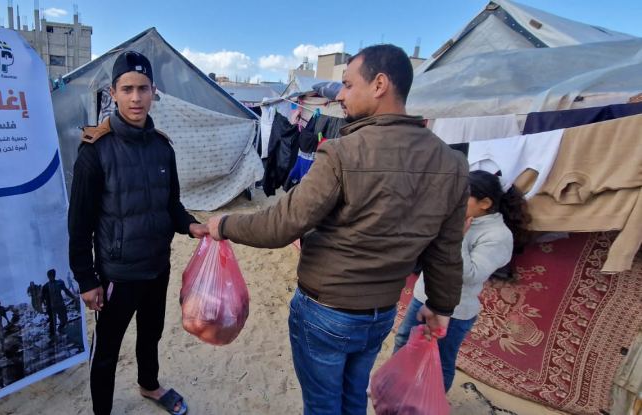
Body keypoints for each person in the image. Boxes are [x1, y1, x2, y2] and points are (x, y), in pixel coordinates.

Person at [207, 44, 469, 415]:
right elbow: (446, 249)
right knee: (352, 398)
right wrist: (441, 307)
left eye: (347, 84)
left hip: (327, 311)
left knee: (323, 405)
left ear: (379, 84)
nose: (340, 96)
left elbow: (282, 224)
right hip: (380, 312)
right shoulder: (452, 162)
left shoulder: (342, 153)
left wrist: (224, 224)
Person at [68, 50, 208, 415]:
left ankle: (149, 384)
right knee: (107, 348)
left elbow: (171, 204)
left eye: (143, 88)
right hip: (118, 273)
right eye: (127, 89)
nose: (136, 98)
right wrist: (87, 280)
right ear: (112, 93)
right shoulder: (94, 151)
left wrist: (191, 225)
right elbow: (79, 224)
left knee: (151, 333)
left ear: (153, 92)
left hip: (157, 266)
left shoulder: (162, 147)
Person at [394, 170, 531, 392]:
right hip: (423, 296)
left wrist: (457, 238)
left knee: (439, 361)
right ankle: (394, 390)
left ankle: (429, 404)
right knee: (403, 341)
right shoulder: (458, 217)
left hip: (455, 311)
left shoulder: (498, 235)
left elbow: (470, 275)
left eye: (462, 197)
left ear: (485, 203)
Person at [40, 269, 77, 340]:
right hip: (51, 307)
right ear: (48, 276)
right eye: (50, 275)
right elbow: (42, 297)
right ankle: (53, 338)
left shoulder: (60, 283)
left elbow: (66, 291)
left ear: (54, 275)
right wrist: (42, 306)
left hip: (60, 305)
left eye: (53, 275)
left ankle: (61, 330)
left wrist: (74, 297)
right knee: (53, 323)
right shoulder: (45, 286)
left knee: (64, 320)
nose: (52, 277)